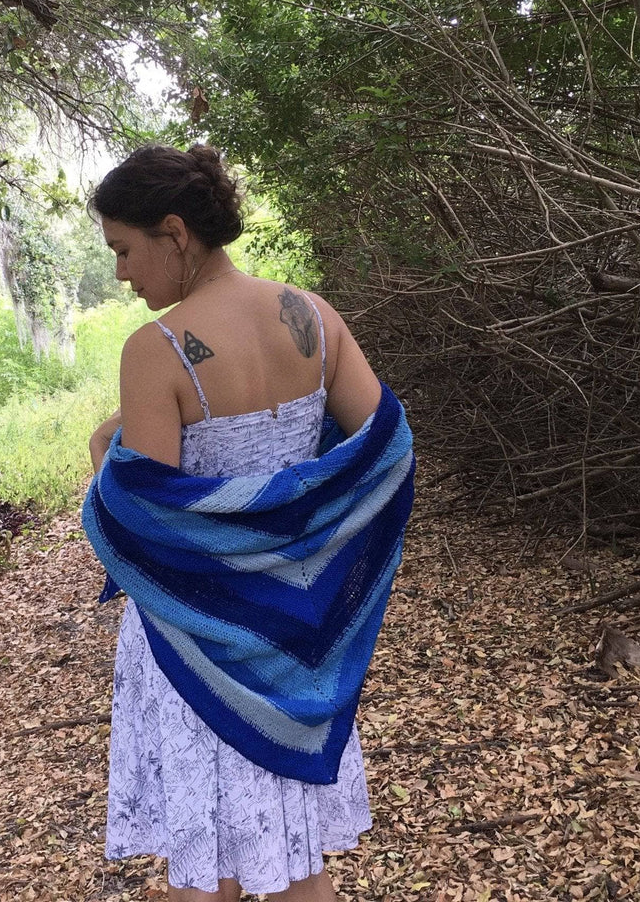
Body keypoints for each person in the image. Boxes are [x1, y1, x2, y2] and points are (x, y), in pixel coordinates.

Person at [82, 144, 414, 902]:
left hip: (197, 641)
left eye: (126, 251)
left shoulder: (156, 352)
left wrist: (105, 458)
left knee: (209, 866)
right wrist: (312, 547)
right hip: (297, 640)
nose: (122, 274)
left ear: (174, 232)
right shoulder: (313, 317)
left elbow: (152, 530)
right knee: (298, 859)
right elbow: (385, 450)